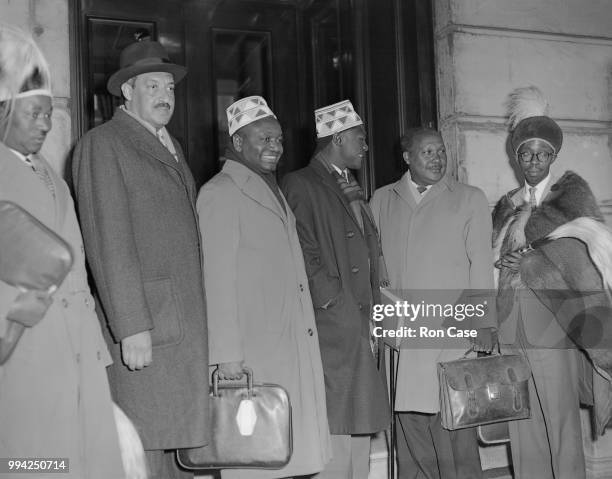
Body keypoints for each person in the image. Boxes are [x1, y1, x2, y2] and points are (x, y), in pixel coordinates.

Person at [72, 40, 208, 478]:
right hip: (148, 330)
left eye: (169, 85)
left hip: (178, 330)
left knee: (178, 449)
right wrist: (131, 325)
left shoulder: (170, 144)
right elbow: (107, 240)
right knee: (144, 450)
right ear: (126, 91)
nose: (165, 94)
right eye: (152, 85)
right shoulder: (103, 144)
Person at [0, 23, 124, 478]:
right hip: (22, 353)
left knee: (78, 460)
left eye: (49, 112)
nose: (47, 123)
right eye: (34, 113)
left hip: (74, 352)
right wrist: (14, 309)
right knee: (30, 462)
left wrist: (94, 350)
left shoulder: (52, 175)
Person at [196, 95, 331, 478]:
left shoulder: (268, 186)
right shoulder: (221, 192)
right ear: (238, 143)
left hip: (286, 343)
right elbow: (216, 280)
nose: (275, 147)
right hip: (253, 353)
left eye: (279, 139)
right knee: (255, 458)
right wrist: (227, 356)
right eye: (263, 139)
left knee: (285, 456)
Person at [493, 86, 611, 478]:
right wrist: (506, 260)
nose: (533, 161)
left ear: (553, 157)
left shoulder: (569, 196)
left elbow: (587, 259)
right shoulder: (506, 206)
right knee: (521, 424)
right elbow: (491, 262)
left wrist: (531, 259)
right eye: (526, 153)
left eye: (542, 154)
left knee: (560, 424)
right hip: (511, 324)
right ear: (516, 156)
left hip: (552, 323)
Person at [369, 127, 496, 479]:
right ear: (407, 157)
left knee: (455, 433)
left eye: (441, 151)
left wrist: (484, 322)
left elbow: (481, 264)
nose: (438, 158)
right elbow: (374, 265)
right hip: (402, 338)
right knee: (410, 433)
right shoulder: (382, 200)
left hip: (451, 333)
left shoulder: (468, 198)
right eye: (428, 152)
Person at [282, 100, 390, 479]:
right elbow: (301, 249)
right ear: (338, 136)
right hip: (334, 324)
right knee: (337, 425)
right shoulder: (300, 182)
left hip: (360, 322)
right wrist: (334, 301)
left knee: (359, 421)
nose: (365, 146)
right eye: (359, 138)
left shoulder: (348, 183)